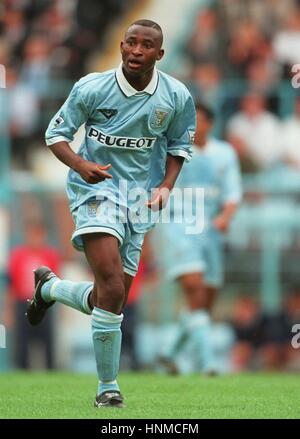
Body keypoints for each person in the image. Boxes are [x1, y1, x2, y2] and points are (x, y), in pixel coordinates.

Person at [26, 19, 196, 408]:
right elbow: (56, 134)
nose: (137, 50)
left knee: (112, 299)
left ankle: (50, 288)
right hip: (95, 190)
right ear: (120, 46)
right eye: (131, 43)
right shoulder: (91, 86)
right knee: (113, 289)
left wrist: (166, 185)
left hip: (140, 200)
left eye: (146, 45)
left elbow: (179, 146)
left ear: (160, 53)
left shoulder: (176, 96)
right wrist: (81, 165)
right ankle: (108, 388)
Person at [159, 103, 242, 374]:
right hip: (180, 225)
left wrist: (225, 218)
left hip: (211, 231)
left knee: (204, 302)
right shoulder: (175, 151)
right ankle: (208, 364)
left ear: (210, 123)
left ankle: (170, 354)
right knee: (195, 288)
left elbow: (232, 192)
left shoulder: (224, 153)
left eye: (198, 121)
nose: (193, 127)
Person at [5, 220, 60, 369]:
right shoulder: (18, 256)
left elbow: (57, 283)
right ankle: (23, 370)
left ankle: (51, 370)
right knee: (23, 341)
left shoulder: (50, 256)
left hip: (44, 304)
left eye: (39, 234)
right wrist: (8, 311)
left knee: (47, 340)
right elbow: (10, 285)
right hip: (23, 303)